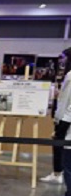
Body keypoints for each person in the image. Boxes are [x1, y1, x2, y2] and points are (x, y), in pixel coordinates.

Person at [41, 47, 71, 185]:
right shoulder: (64, 74)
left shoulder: (69, 75)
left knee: (59, 144)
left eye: (63, 57)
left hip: (65, 118)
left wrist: (58, 120)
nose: (61, 60)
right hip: (64, 116)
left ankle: (58, 172)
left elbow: (64, 100)